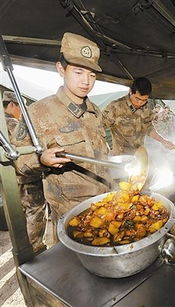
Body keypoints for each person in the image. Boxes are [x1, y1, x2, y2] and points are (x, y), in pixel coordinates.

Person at [13, 32, 112, 243]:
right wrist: (40, 160)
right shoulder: (38, 113)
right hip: (70, 217)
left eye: (92, 75)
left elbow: (102, 156)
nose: (86, 81)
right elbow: (15, 161)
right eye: (78, 72)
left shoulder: (95, 112)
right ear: (61, 69)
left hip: (105, 207)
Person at [2, 91, 46, 253]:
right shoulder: (12, 124)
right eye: (20, 107)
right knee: (35, 211)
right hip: (25, 178)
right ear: (12, 105)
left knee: (18, 215)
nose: (22, 111)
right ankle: (34, 248)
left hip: (10, 179)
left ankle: (21, 247)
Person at [103, 77, 175, 155]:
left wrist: (163, 141)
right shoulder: (115, 107)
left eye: (144, 100)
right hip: (122, 157)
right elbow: (98, 127)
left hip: (140, 155)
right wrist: (104, 148)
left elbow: (148, 128)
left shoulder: (146, 108)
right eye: (137, 99)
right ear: (130, 92)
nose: (139, 103)